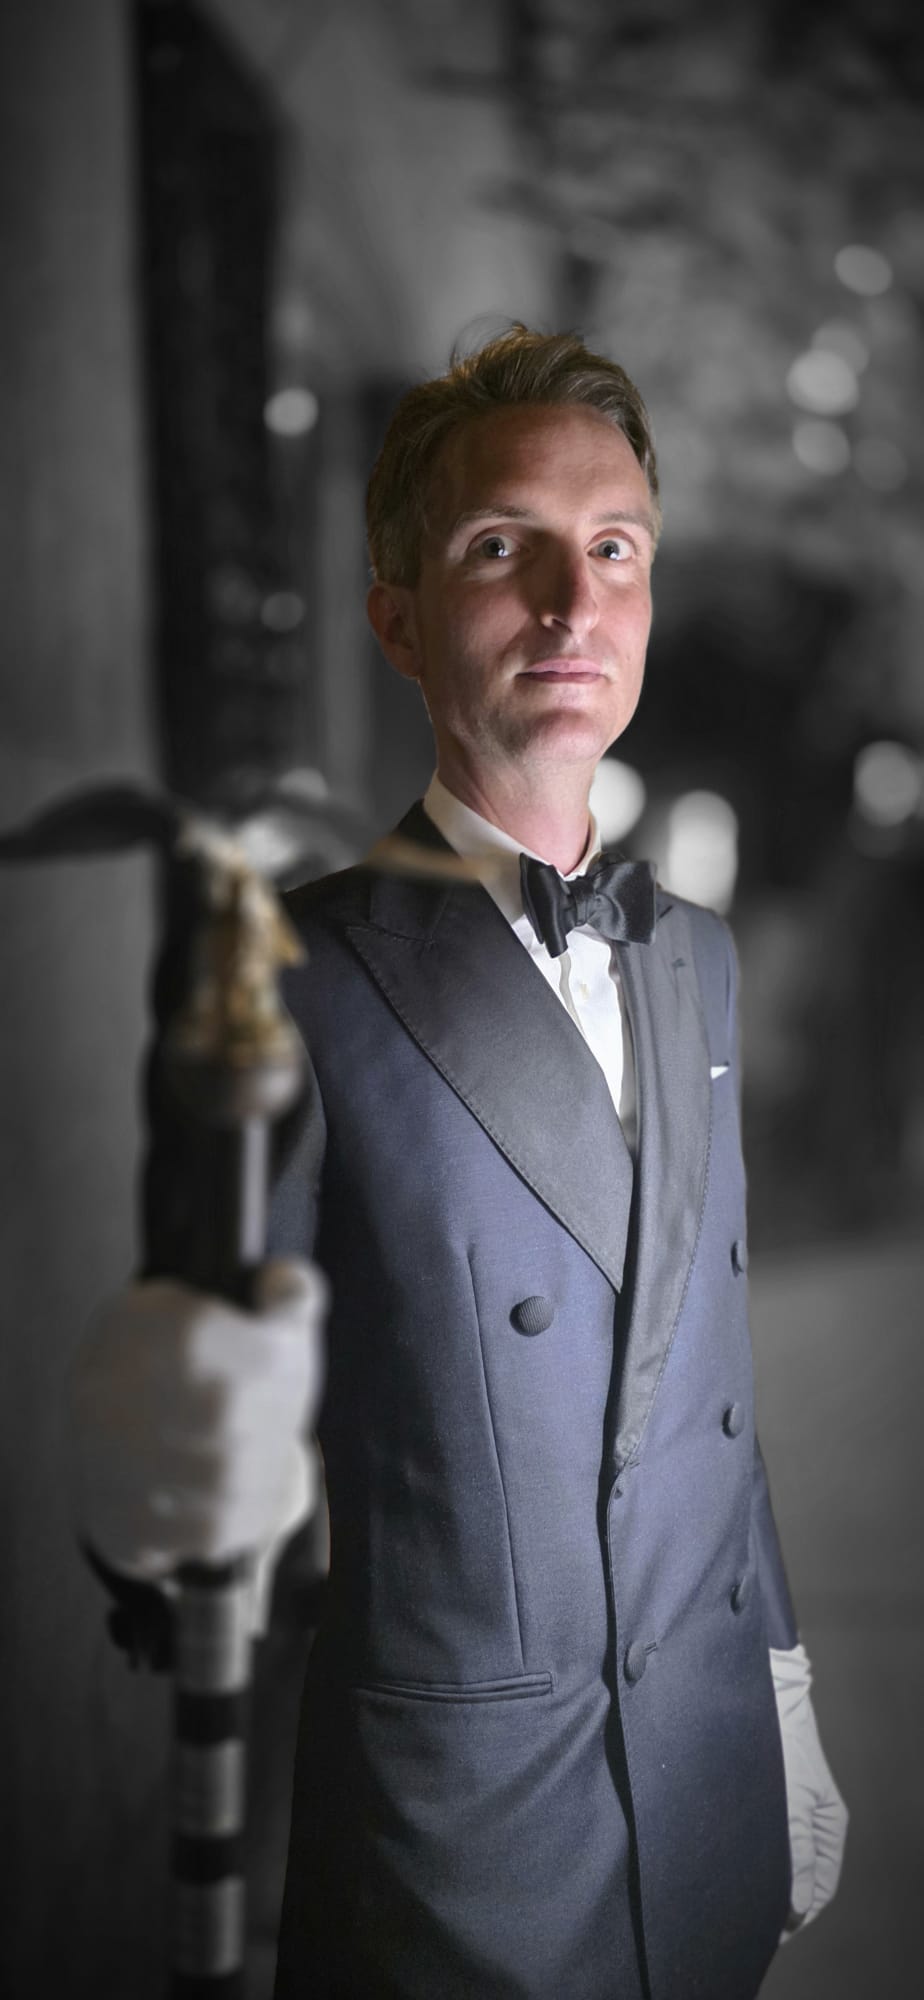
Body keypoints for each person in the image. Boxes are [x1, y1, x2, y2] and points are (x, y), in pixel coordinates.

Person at [71, 327, 847, 1999]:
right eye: (505, 547)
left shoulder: (698, 960)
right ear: (401, 621)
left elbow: (707, 1388)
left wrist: (781, 1687)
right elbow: (189, 1477)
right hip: (465, 1863)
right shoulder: (289, 973)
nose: (573, 602)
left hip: (709, 1788)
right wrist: (167, 1484)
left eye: (615, 549)